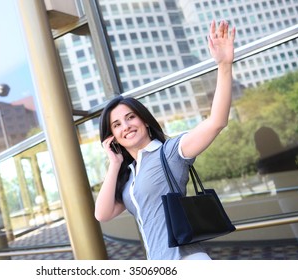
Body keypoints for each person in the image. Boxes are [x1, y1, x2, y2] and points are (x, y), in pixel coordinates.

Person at [95, 19, 236, 260]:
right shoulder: (129, 176)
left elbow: (216, 122)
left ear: (145, 121)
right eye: (117, 125)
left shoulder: (170, 152)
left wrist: (224, 65)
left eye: (130, 118)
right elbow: (102, 214)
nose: (126, 126)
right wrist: (115, 164)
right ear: (113, 137)